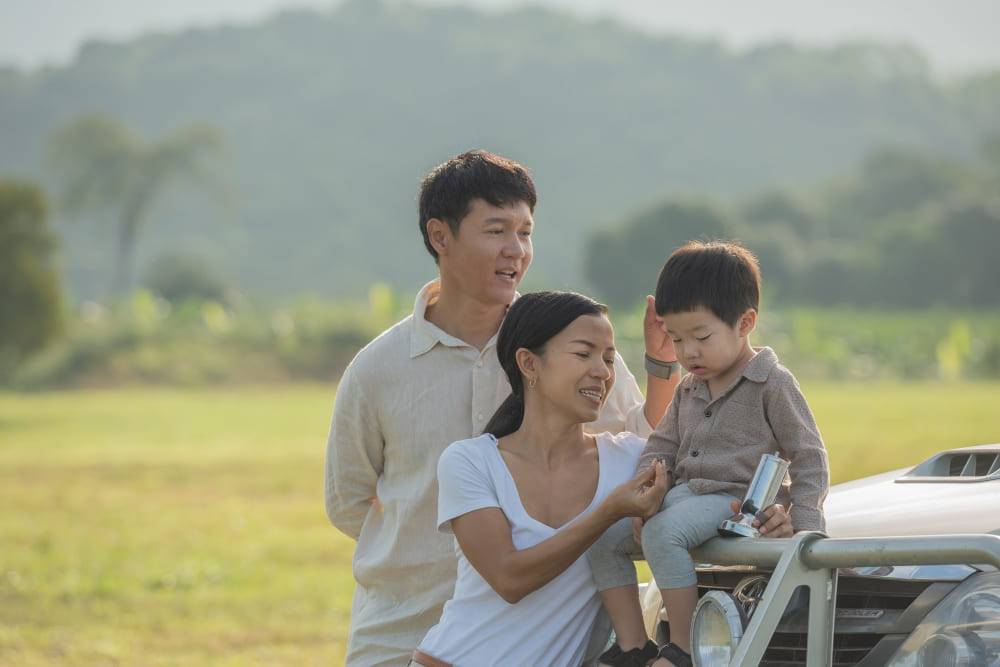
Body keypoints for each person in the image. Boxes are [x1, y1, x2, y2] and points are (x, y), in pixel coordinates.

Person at [324, 150, 682, 666]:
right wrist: (470, 555)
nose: (516, 250)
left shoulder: (565, 348)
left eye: (526, 232)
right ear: (440, 237)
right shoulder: (377, 368)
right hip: (400, 636)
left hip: (540, 642)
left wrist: (662, 368)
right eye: (496, 230)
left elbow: (643, 450)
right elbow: (349, 502)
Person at [586, 241, 830, 667]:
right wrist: (647, 496)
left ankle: (683, 648)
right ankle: (631, 643)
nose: (687, 352)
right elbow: (661, 445)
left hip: (730, 499)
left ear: (745, 322)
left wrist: (806, 532)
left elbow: (809, 455)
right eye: (677, 339)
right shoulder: (689, 388)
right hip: (682, 498)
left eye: (701, 337)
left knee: (664, 534)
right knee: (604, 538)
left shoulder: (770, 383)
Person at [413, 291, 669, 667]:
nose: (602, 371)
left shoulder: (627, 459)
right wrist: (608, 512)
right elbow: (509, 578)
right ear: (528, 364)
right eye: (584, 354)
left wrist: (775, 512)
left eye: (609, 358)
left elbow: (704, 464)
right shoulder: (470, 462)